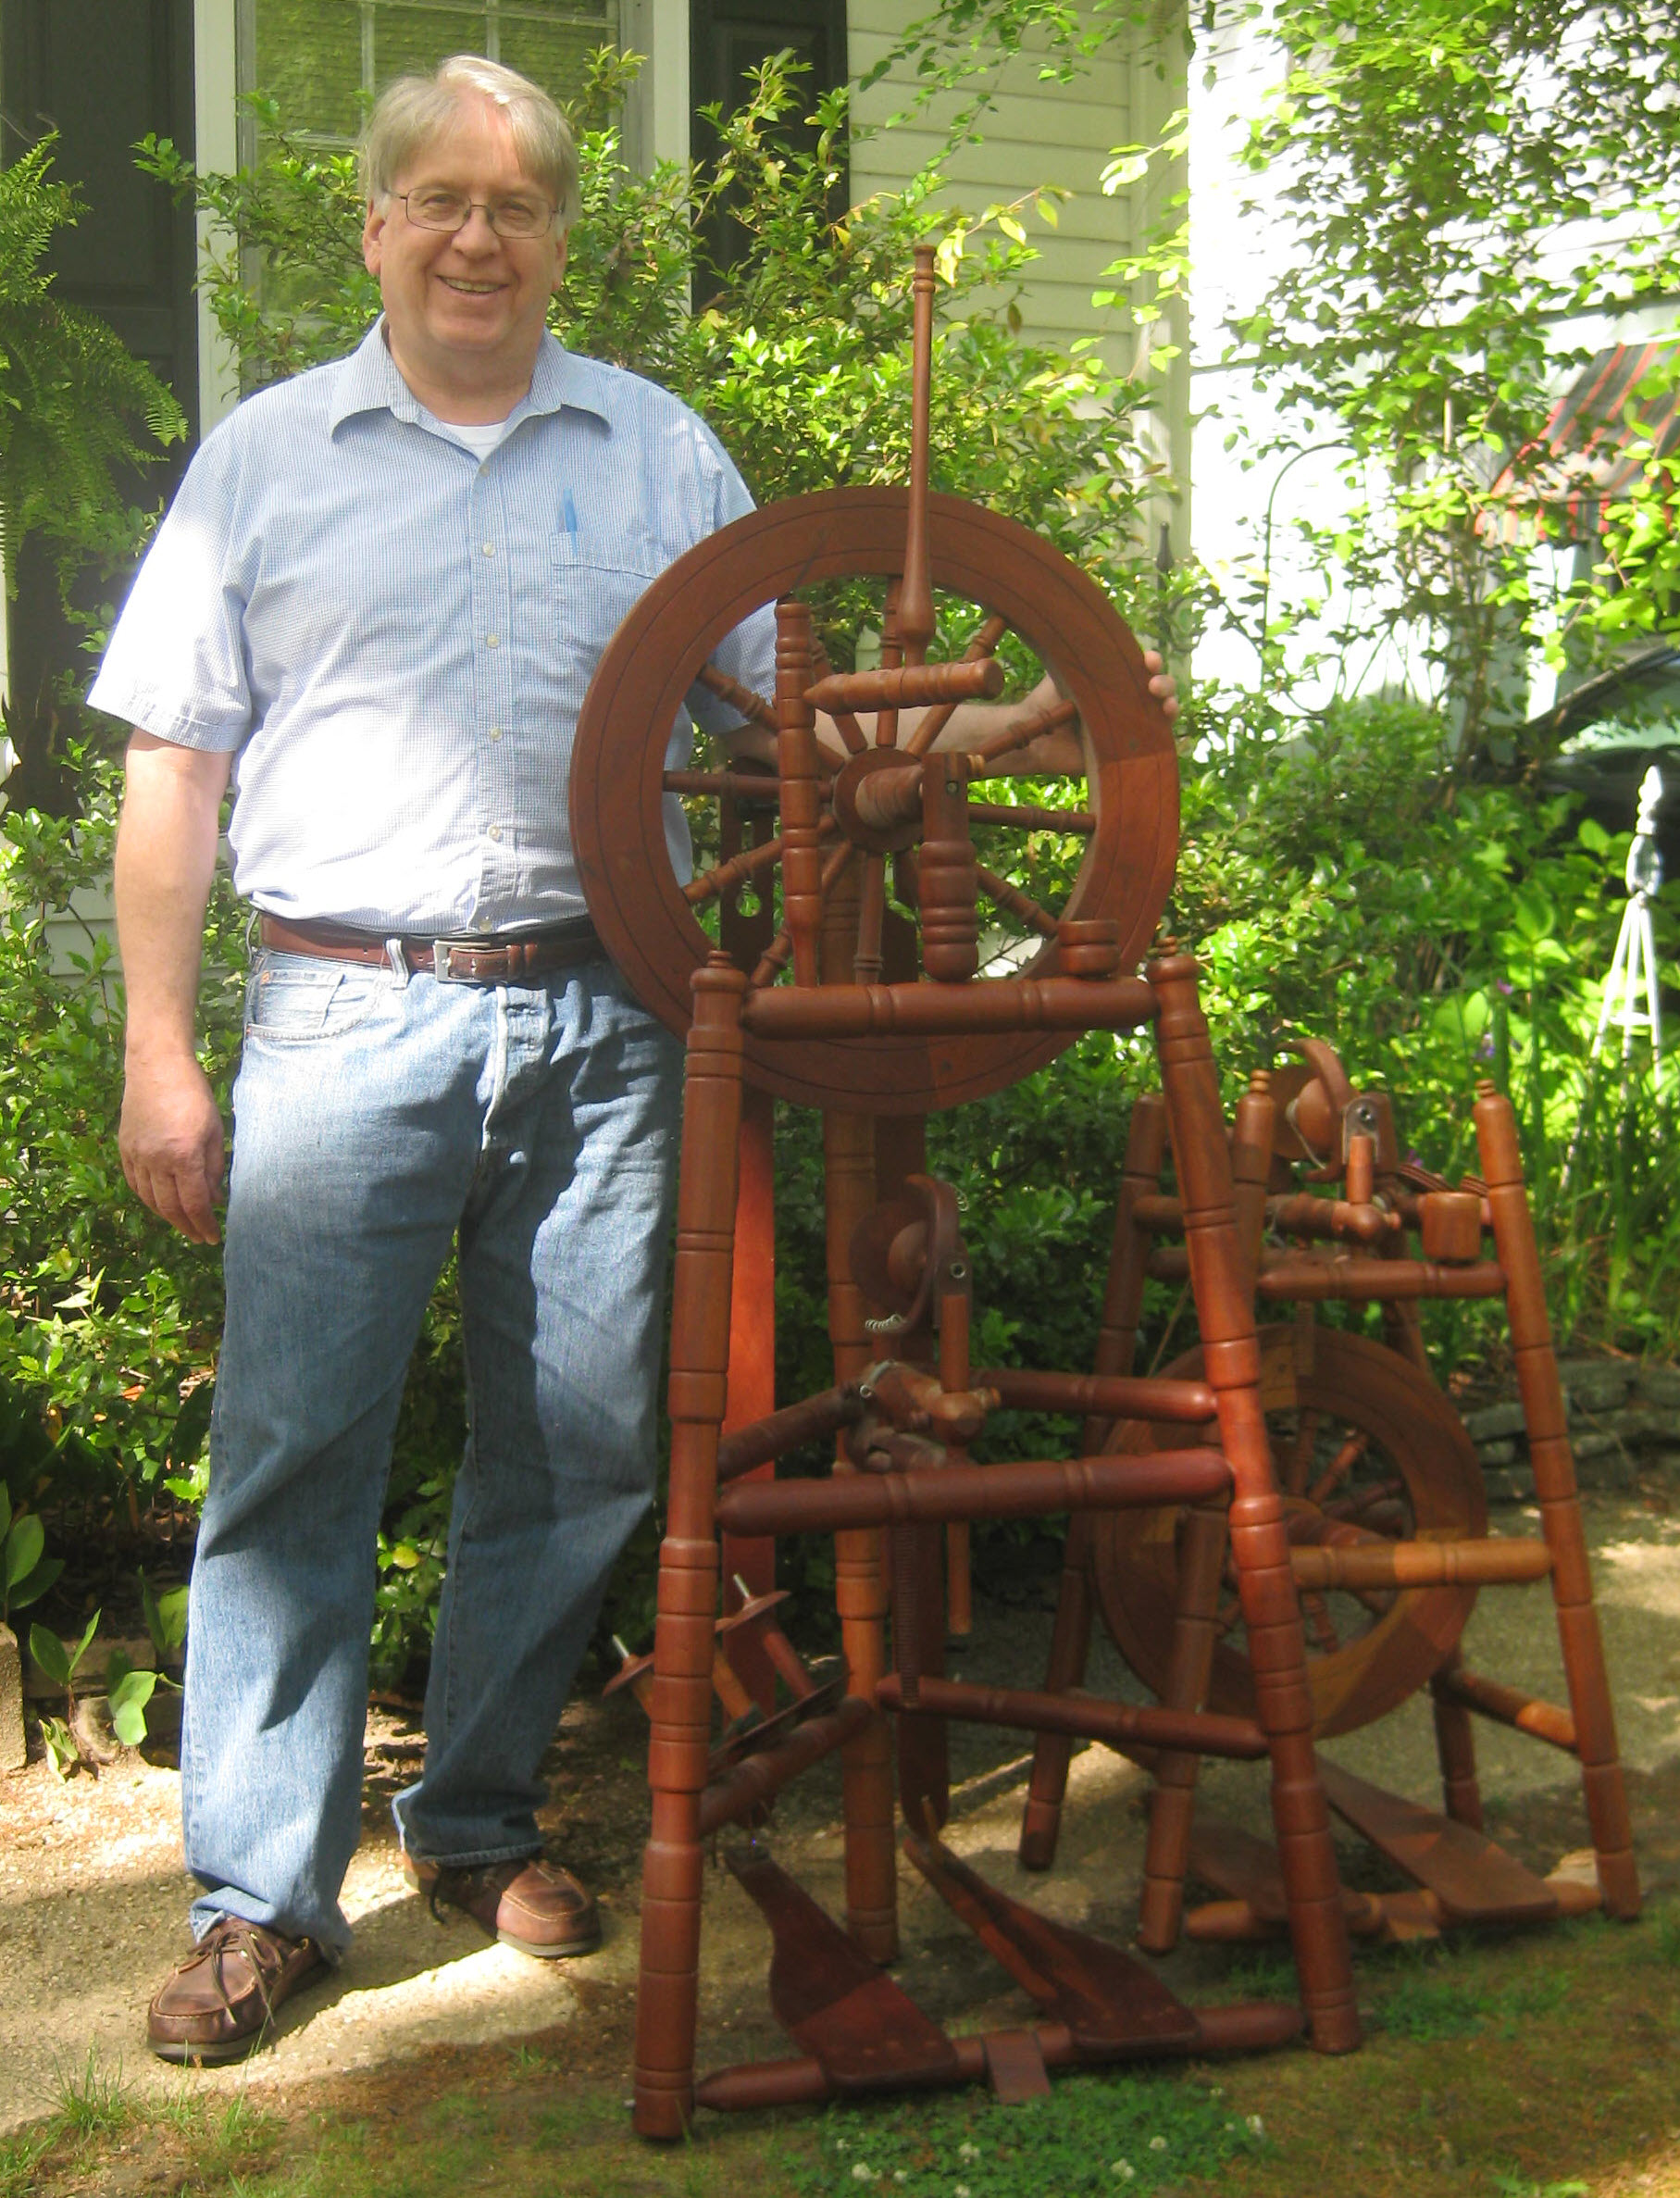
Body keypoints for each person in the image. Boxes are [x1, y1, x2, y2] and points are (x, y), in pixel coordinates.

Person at [93, 54, 1179, 2066]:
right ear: (376, 228)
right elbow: (174, 770)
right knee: (296, 1455)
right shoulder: (262, 459)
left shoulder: (662, 451)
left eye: (514, 205)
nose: (476, 238)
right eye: (440, 201)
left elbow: (806, 732)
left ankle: (476, 1819)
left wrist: (1042, 718)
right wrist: (162, 1054)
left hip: (612, 1013)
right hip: (343, 1007)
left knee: (583, 1440)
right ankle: (257, 1895)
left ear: (559, 239)